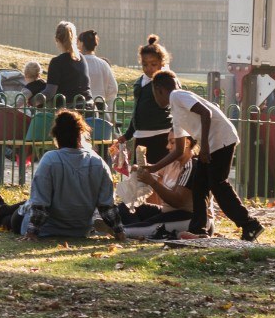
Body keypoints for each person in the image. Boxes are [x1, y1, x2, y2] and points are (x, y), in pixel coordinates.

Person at [148, 70, 263, 242]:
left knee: (218, 185)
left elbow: (206, 113)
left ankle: (250, 225)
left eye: (154, 95)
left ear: (159, 90)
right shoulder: (176, 112)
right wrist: (152, 169)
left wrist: (205, 147)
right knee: (199, 185)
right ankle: (198, 230)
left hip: (221, 140)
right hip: (211, 143)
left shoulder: (177, 96)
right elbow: (179, 150)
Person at [20, 110, 122, 242]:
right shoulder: (98, 162)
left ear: (56, 136)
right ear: (81, 135)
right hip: (80, 229)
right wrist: (119, 231)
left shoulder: (50, 160)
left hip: (46, 229)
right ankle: (0, 209)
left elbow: (40, 203)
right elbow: (107, 206)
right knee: (22, 206)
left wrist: (32, 233)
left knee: (15, 215)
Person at [118, 36, 173, 166]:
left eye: (153, 64)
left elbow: (175, 106)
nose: (149, 68)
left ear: (162, 63)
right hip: (141, 136)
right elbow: (137, 111)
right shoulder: (139, 82)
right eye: (145, 64)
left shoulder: (167, 81)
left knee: (158, 174)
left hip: (161, 135)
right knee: (140, 174)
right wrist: (127, 134)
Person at [45, 21, 89, 109]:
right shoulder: (81, 58)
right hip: (88, 107)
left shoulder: (56, 62)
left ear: (56, 40)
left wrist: (34, 100)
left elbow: (50, 92)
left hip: (69, 111)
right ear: (74, 39)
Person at [78, 30, 114, 111]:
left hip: (81, 106)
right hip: (100, 107)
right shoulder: (103, 64)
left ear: (81, 43)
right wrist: (102, 97)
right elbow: (113, 88)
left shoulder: (77, 63)